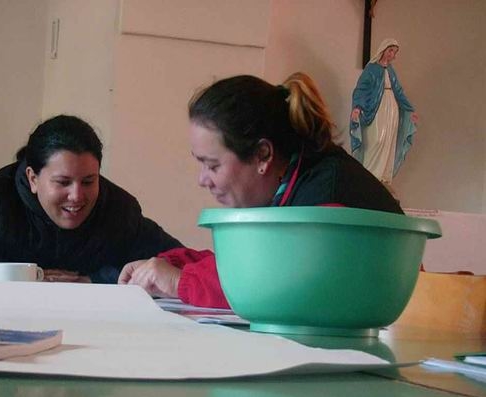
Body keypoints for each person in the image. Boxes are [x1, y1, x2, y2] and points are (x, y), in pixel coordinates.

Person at [119, 72, 403, 308]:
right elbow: (260, 264)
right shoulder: (300, 179)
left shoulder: (326, 196)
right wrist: (170, 265)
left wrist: (179, 280)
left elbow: (272, 284)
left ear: (263, 155)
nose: (202, 179)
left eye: (213, 165)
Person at [0, 115, 182, 282]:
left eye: (88, 181)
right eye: (63, 182)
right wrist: (28, 277)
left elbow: (183, 264)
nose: (77, 196)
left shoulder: (119, 210)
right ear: (33, 179)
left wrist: (94, 280)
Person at [350, 38, 418, 188]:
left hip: (391, 108)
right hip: (376, 109)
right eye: (390, 50)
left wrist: (409, 109)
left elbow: (399, 91)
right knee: (377, 140)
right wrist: (357, 107)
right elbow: (361, 89)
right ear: (383, 50)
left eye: (395, 52)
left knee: (388, 140)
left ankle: (383, 178)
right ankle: (370, 175)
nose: (392, 54)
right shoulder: (371, 69)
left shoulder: (391, 70)